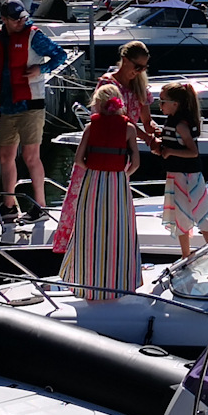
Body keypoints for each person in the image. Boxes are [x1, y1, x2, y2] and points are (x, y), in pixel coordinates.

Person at [0, 0, 67, 218]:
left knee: (31, 156)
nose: (21, 22)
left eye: (23, 17)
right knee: (5, 156)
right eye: (16, 19)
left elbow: (60, 55)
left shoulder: (34, 35)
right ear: (4, 20)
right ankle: (9, 206)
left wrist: (42, 68)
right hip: (7, 104)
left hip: (31, 103)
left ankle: (40, 205)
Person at [59, 84, 140, 301]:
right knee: (119, 233)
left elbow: (78, 160)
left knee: (89, 232)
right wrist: (122, 174)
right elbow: (136, 162)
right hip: (117, 184)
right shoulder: (129, 128)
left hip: (93, 182)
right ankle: (119, 283)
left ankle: (88, 284)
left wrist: (94, 170)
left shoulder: (90, 126)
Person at [156, 82, 208, 257]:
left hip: (188, 176)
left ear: (175, 103)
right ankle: (185, 254)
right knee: (179, 215)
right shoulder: (172, 122)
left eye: (162, 101)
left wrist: (170, 151)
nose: (160, 105)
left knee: (201, 214)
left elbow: (193, 152)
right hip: (175, 175)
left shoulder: (181, 125)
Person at [97, 41, 159, 149]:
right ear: (125, 60)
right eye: (138, 67)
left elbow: (147, 121)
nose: (140, 72)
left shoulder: (140, 86)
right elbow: (119, 120)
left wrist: (155, 130)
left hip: (128, 145)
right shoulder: (107, 84)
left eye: (144, 68)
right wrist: (147, 138)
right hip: (108, 142)